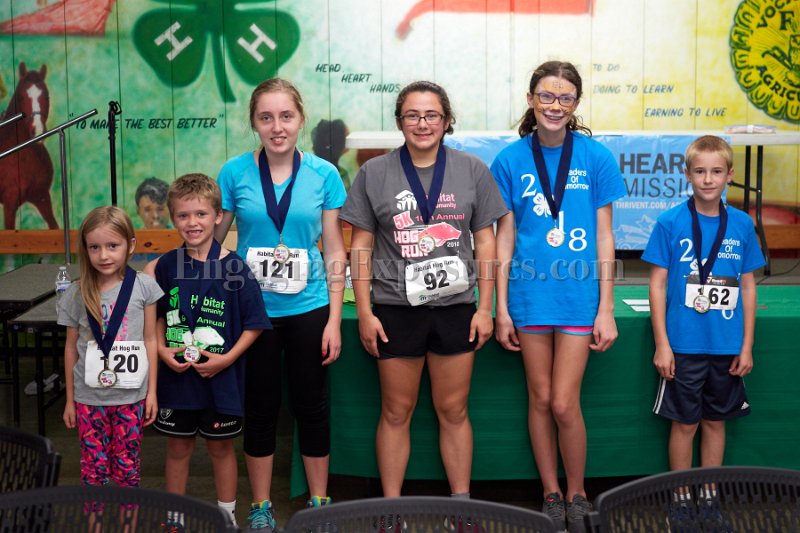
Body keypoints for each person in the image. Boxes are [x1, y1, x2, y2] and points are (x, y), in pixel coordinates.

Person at [341, 80, 508, 512]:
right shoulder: (374, 173)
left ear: (447, 121)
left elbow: (485, 241)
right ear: (399, 122)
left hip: (456, 308)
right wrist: (365, 312)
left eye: (431, 115)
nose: (422, 123)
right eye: (412, 115)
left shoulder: (472, 169)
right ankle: (390, 510)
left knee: (454, 411)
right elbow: (361, 246)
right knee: (396, 412)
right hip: (396, 309)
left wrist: (485, 308)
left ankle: (462, 506)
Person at [490, 61, 626, 532]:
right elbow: (505, 238)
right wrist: (500, 307)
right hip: (529, 296)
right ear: (531, 99)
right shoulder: (510, 160)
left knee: (565, 403)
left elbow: (605, 236)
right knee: (542, 397)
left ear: (576, 104)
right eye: (546, 96)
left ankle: (578, 492)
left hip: (577, 296)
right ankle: (551, 492)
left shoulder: (595, 157)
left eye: (565, 97)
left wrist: (606, 308)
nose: (555, 105)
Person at [215, 78, 347, 532]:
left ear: (300, 119)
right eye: (266, 117)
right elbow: (211, 241)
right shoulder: (234, 173)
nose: (277, 127)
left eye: (286, 116)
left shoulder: (325, 175)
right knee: (261, 407)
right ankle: (261, 505)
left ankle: (319, 501)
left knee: (312, 405)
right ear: (254, 122)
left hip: (309, 308)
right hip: (253, 314)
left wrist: (334, 319)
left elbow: (334, 248)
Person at [642, 135, 765, 531]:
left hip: (726, 346)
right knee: (685, 424)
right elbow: (657, 284)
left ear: (730, 175)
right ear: (687, 174)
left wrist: (746, 345)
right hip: (683, 345)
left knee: (715, 422)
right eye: (700, 171)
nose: (708, 179)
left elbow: (749, 286)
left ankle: (709, 500)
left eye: (716, 172)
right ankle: (680, 501)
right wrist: (662, 344)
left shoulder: (742, 224)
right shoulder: (670, 222)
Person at [145, 173, 270, 529]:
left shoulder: (236, 267)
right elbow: (156, 316)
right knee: (177, 449)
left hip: (221, 381)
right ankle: (174, 519)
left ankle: (226, 518)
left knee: (220, 449)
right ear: (173, 218)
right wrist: (162, 351)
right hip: (177, 381)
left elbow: (255, 323)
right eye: (183, 215)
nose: (192, 222)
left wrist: (227, 359)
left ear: (217, 216)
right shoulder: (165, 266)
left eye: (200, 214)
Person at [58, 206, 162, 493]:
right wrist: (70, 400)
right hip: (88, 399)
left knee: (128, 466)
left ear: (130, 245)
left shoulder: (144, 287)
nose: (104, 255)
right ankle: (96, 517)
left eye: (112, 246)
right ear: (86, 249)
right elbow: (70, 348)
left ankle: (127, 516)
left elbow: (150, 340)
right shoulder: (76, 293)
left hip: (131, 397)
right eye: (95, 247)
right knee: (93, 469)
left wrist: (152, 393)